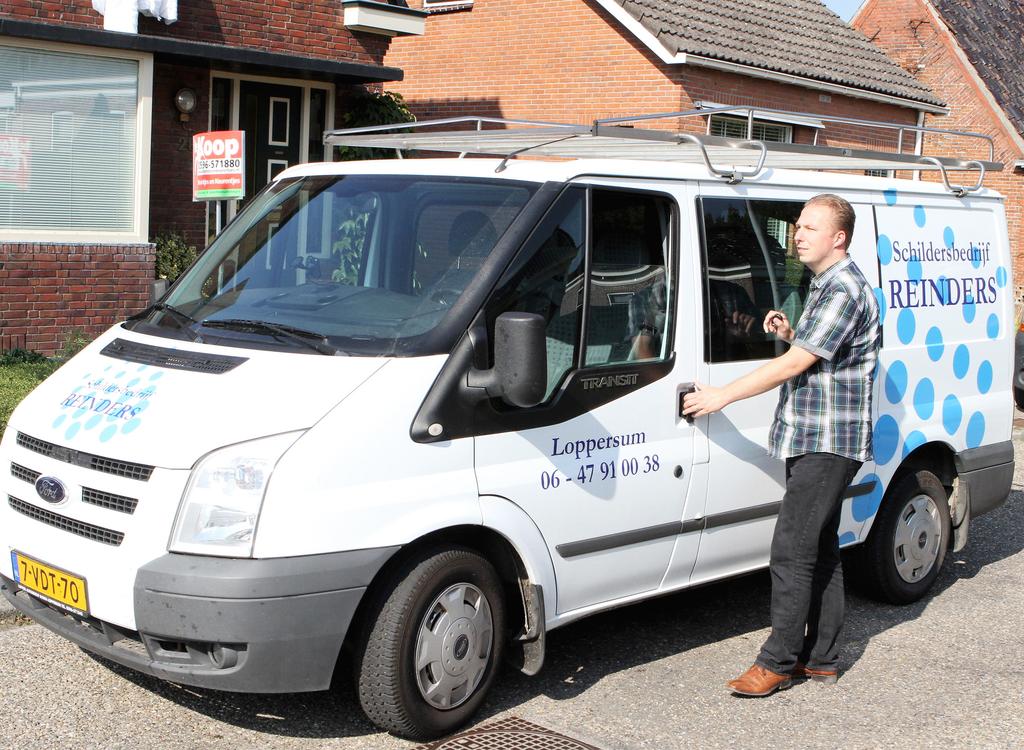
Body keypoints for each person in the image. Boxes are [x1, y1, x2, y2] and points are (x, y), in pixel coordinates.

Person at [682, 193, 880, 697]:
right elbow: (818, 355)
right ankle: (823, 659)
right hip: (818, 435)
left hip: (827, 441)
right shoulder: (826, 285)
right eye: (798, 226)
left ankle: (778, 662)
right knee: (820, 546)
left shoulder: (842, 289)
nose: (798, 233)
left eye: (810, 227)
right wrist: (793, 333)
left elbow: (796, 365)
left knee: (791, 550)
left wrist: (722, 394)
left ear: (838, 238)